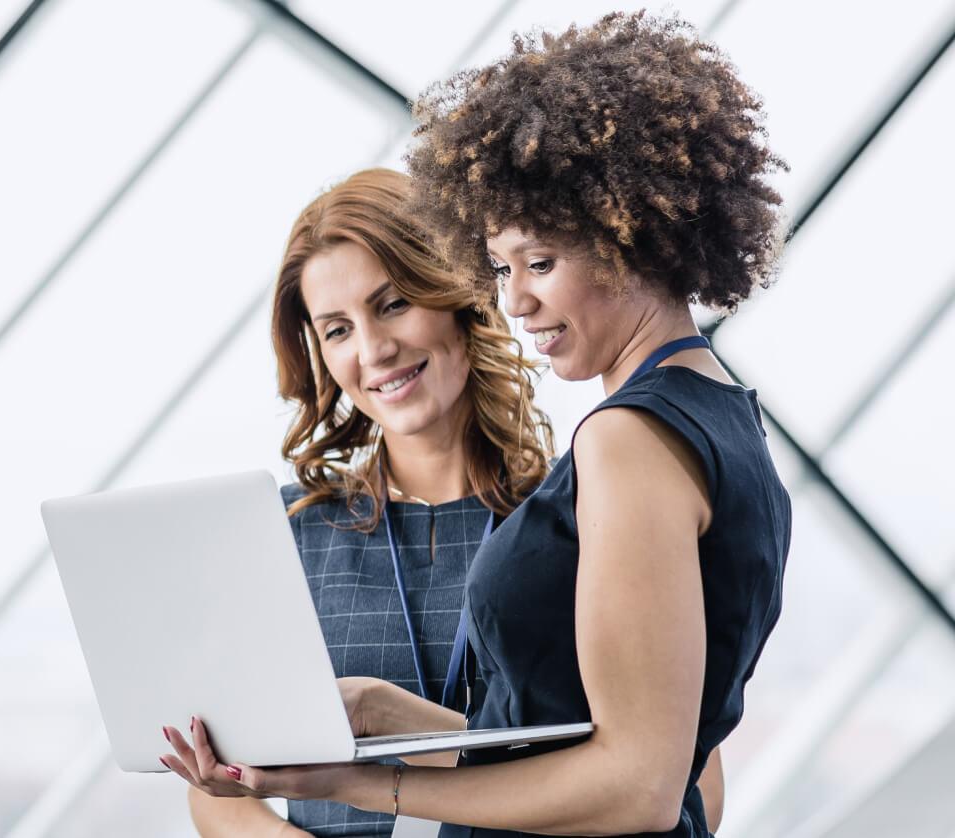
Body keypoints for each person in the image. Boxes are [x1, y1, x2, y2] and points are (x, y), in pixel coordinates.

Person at [164, 13, 788, 838]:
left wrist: (370, 783)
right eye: (502, 268)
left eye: (539, 263)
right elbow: (602, 758)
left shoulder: (619, 448)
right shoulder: (713, 419)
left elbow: (646, 784)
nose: (516, 299)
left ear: (625, 232)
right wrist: (392, 716)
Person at [174, 167, 554, 837]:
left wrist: (388, 714)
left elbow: (679, 785)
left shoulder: (573, 519)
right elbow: (218, 792)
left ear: (458, 294)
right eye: (337, 330)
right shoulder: (289, 535)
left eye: (393, 303)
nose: (375, 351)